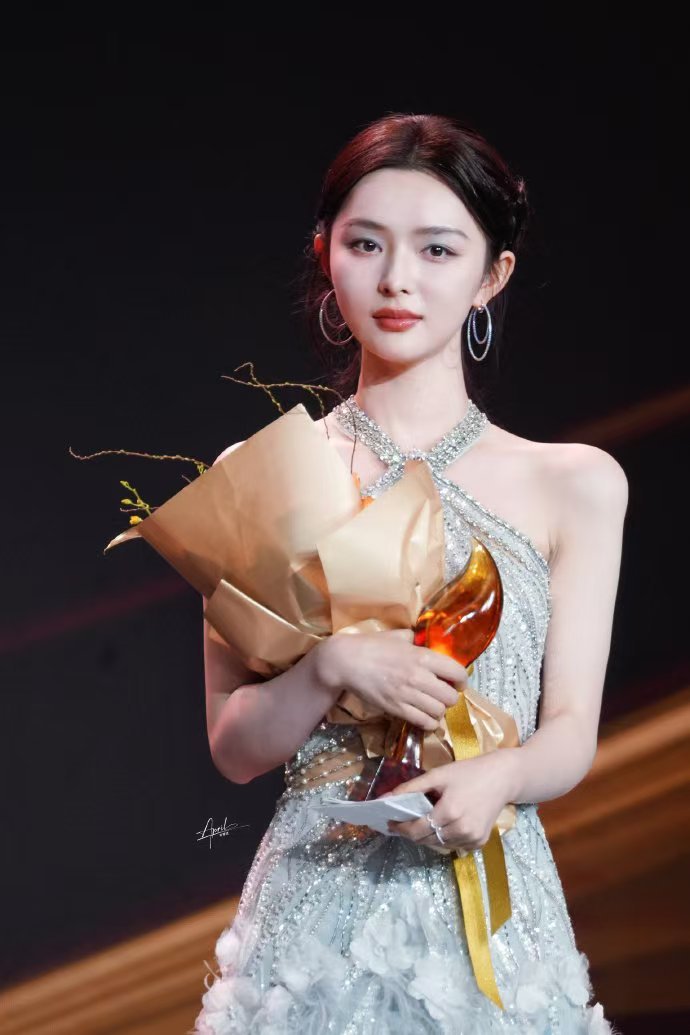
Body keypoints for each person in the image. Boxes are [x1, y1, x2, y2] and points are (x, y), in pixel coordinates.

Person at [191, 113, 627, 1034]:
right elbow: (233, 746)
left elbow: (571, 730)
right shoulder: (263, 475)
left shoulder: (576, 483)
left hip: (490, 909)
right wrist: (329, 667)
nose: (397, 279)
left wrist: (501, 775)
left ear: (491, 275)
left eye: (437, 249)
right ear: (325, 255)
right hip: (311, 925)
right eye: (365, 244)